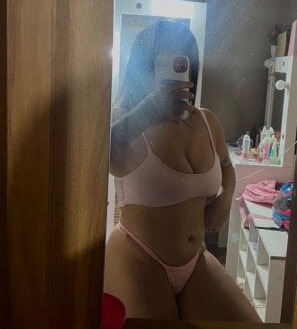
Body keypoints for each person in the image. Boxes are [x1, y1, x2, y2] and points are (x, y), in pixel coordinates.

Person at [104, 20, 260, 322]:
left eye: (183, 61)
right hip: (138, 256)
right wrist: (147, 113)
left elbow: (227, 167)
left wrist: (226, 199)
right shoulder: (123, 118)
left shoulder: (207, 121)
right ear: (144, 67)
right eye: (163, 62)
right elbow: (95, 156)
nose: (175, 70)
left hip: (196, 259)